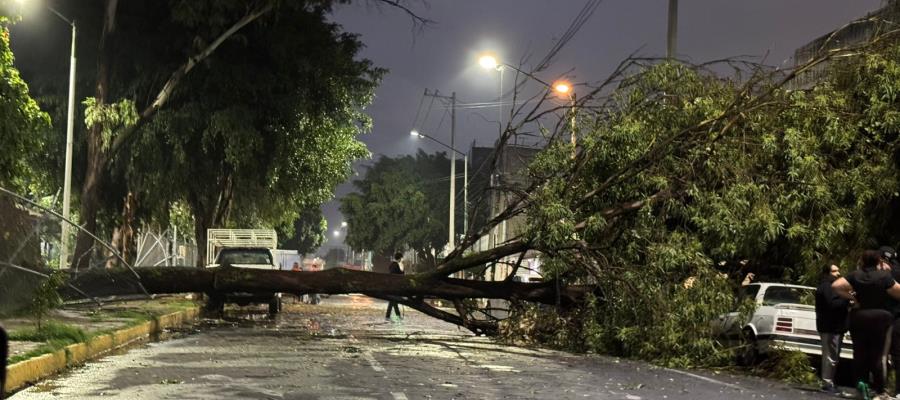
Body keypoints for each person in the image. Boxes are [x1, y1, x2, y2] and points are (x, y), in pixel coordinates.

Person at [833, 250, 900, 399]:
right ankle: (880, 391)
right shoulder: (884, 276)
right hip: (880, 317)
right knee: (877, 355)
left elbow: (836, 286)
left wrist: (854, 300)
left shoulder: (855, 275)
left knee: (859, 353)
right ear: (878, 262)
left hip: (859, 316)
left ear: (862, 261)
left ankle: (860, 386)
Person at [815, 263, 849, 393]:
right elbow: (832, 304)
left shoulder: (828, 286)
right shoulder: (827, 286)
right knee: (830, 356)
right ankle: (827, 383)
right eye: (835, 271)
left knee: (832, 356)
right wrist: (847, 299)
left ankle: (829, 382)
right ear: (827, 273)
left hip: (832, 326)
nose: (838, 274)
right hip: (830, 327)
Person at [385, 252, 404, 321]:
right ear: (399, 258)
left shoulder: (392, 265)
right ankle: (388, 316)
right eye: (401, 258)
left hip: (391, 286)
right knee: (392, 301)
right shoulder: (395, 265)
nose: (401, 260)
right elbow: (399, 275)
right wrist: (402, 270)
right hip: (394, 286)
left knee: (393, 301)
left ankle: (396, 315)